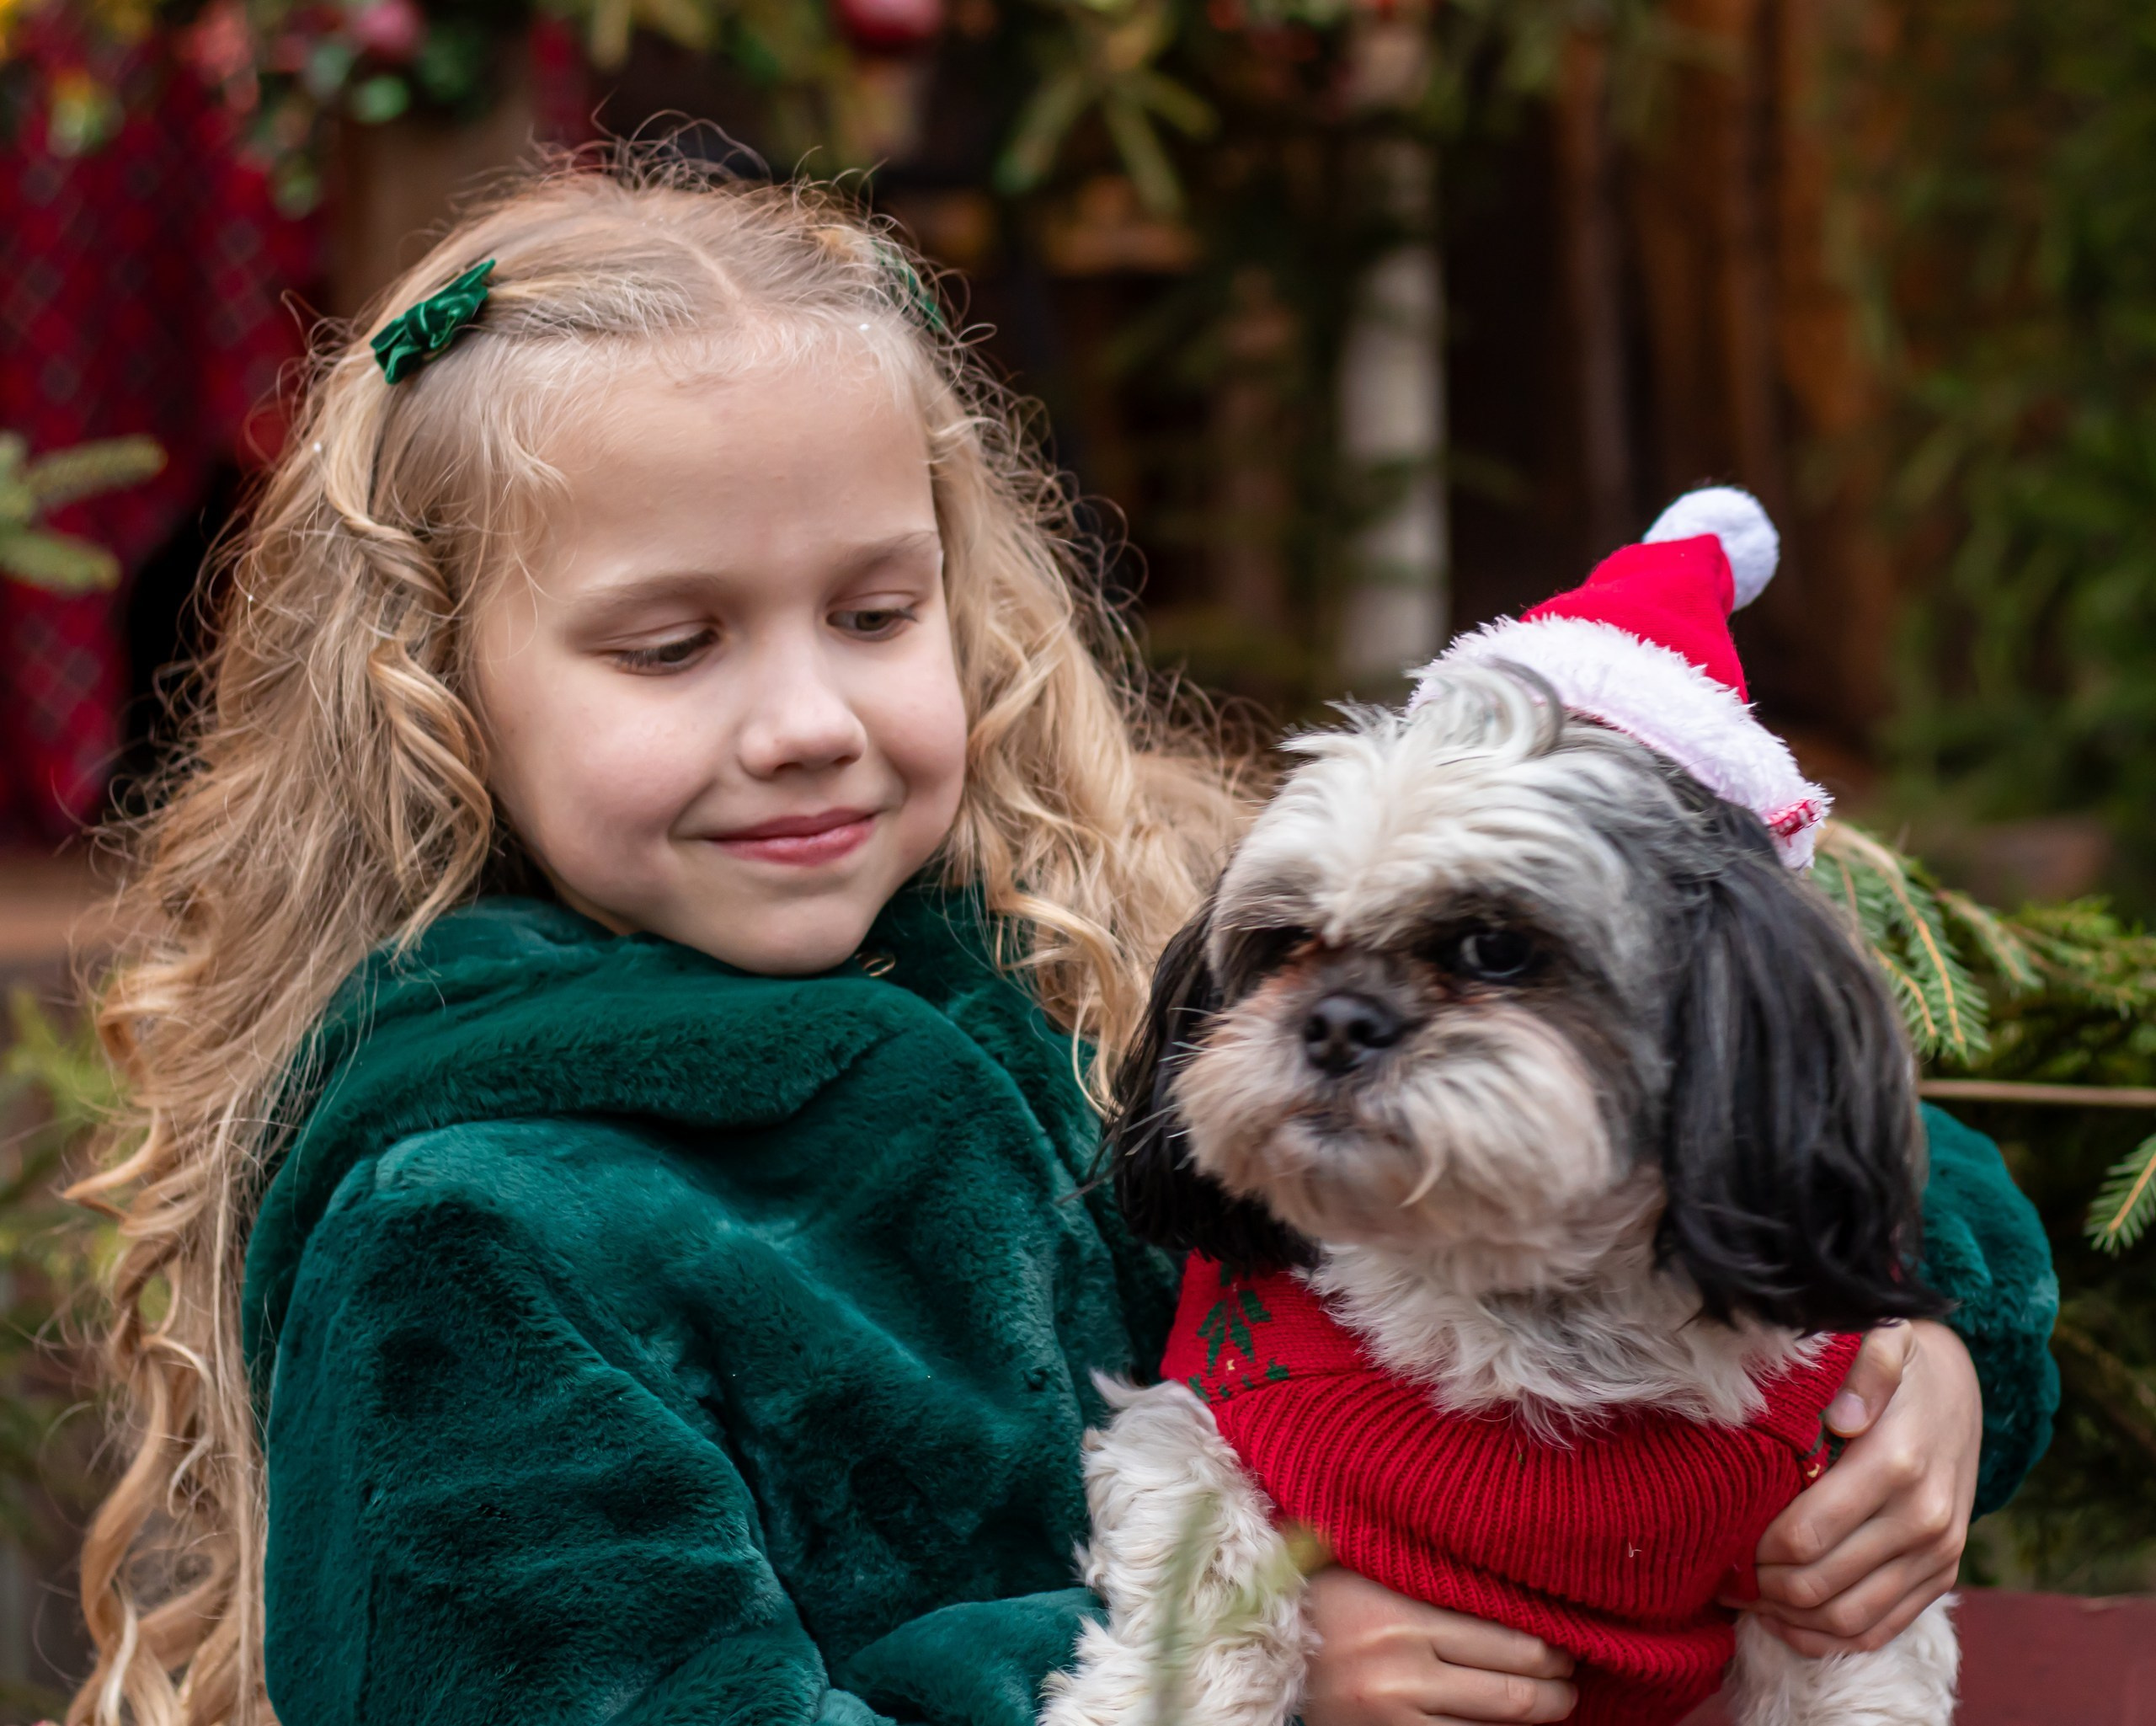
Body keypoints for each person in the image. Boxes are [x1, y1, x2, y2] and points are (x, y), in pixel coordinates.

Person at [68, 157, 2056, 1726]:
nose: (803, 720)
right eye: (672, 645)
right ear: (434, 691)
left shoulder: (1083, 945)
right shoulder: (472, 1222)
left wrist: (1916, 1345)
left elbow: (1731, 1095)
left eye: (870, 611)